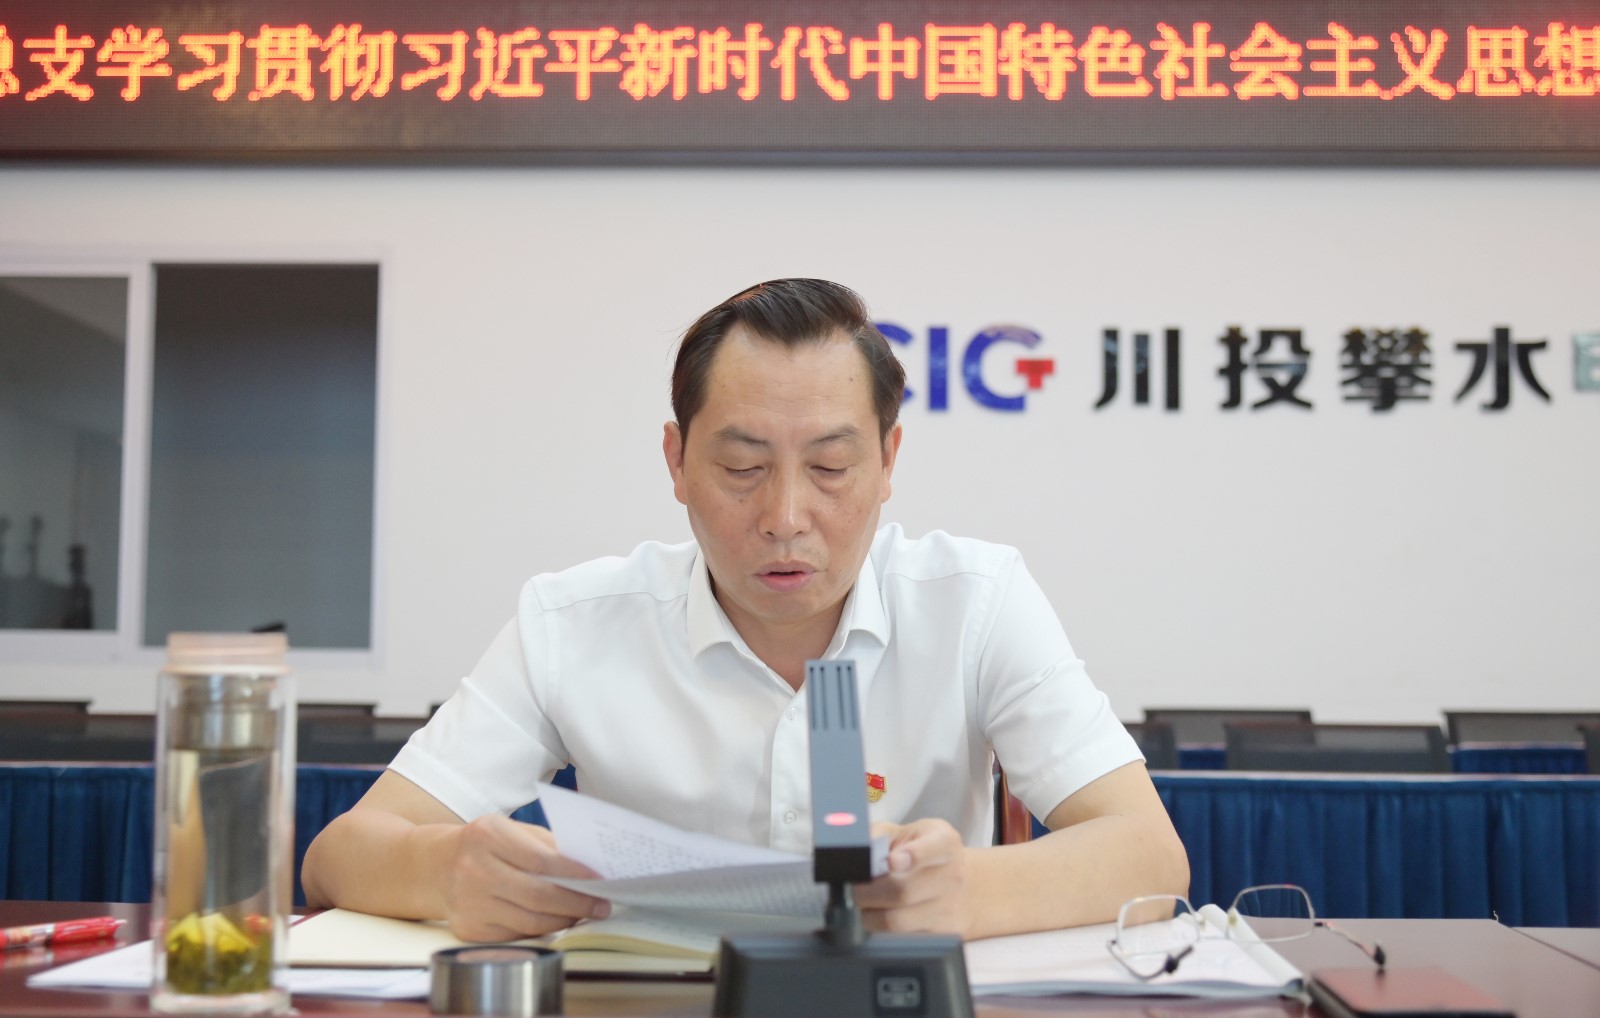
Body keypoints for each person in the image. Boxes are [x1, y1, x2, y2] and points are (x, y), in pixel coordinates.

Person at [302, 278, 1188, 941]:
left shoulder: (975, 602)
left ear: (888, 461)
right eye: (742, 468)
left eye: (831, 468)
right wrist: (446, 870)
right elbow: (340, 855)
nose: (786, 516)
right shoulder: (573, 623)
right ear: (677, 461)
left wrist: (970, 892)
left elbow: (1150, 853)